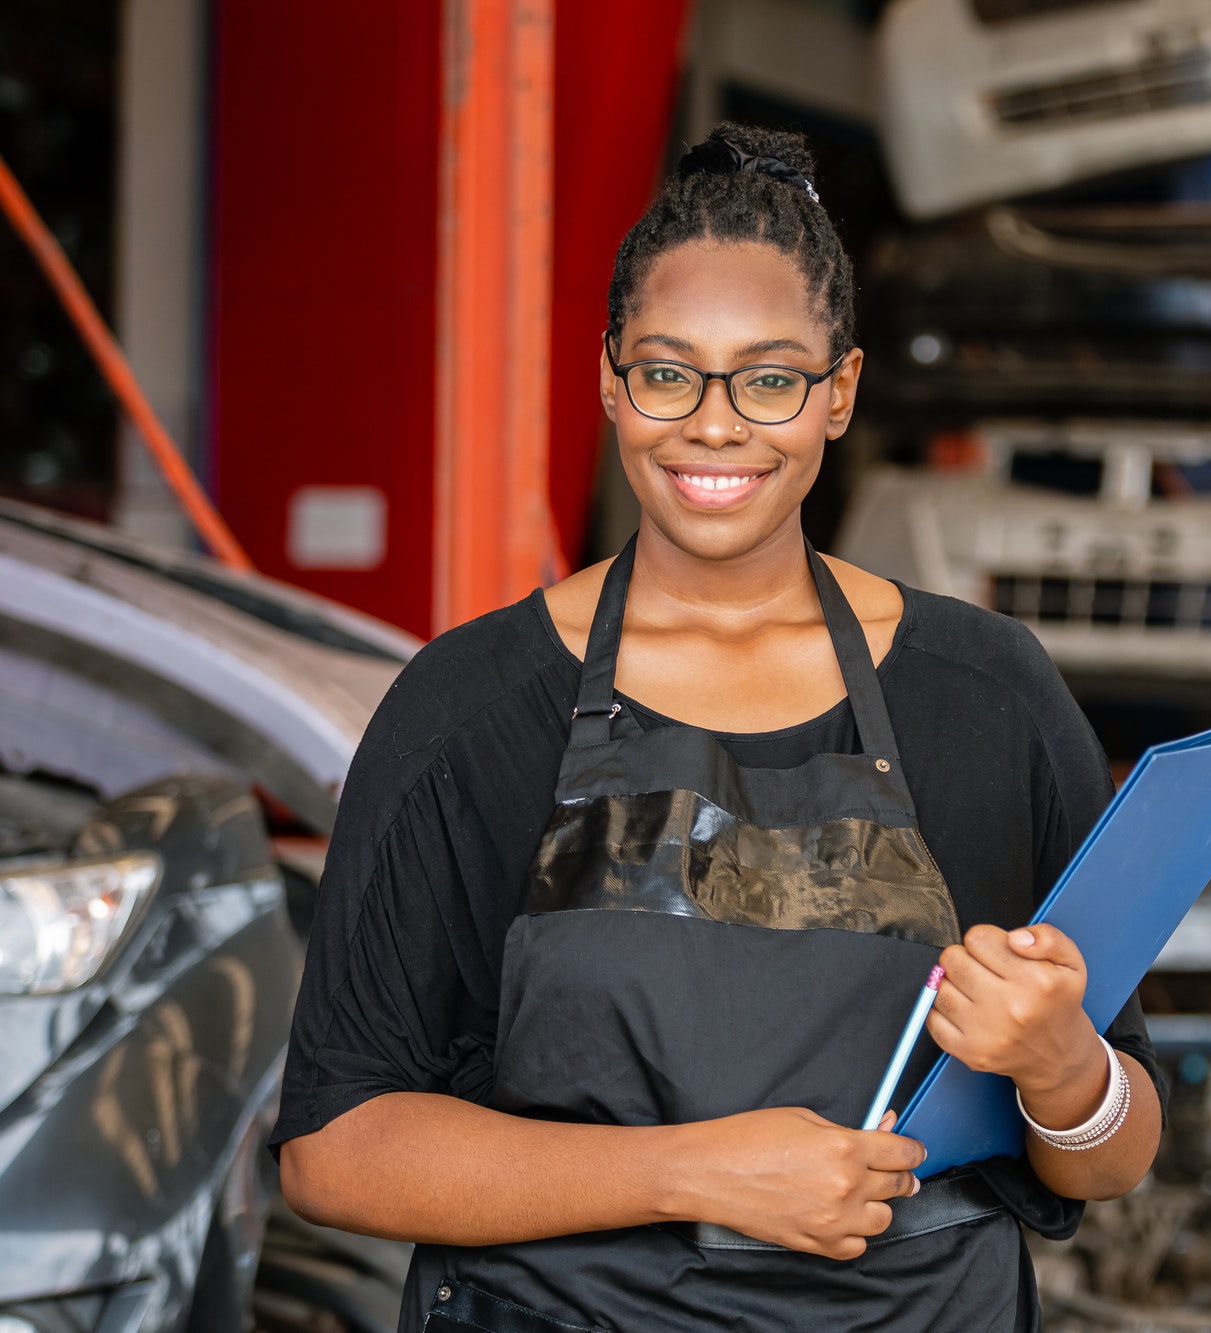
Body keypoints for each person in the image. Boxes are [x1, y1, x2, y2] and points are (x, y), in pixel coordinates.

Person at [272, 123, 1164, 1332]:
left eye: (769, 377)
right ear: (610, 378)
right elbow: (336, 1148)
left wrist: (1063, 1066)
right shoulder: (473, 708)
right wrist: (692, 1171)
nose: (712, 423)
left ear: (838, 392)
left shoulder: (985, 695)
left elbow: (1111, 1150)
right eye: (667, 371)